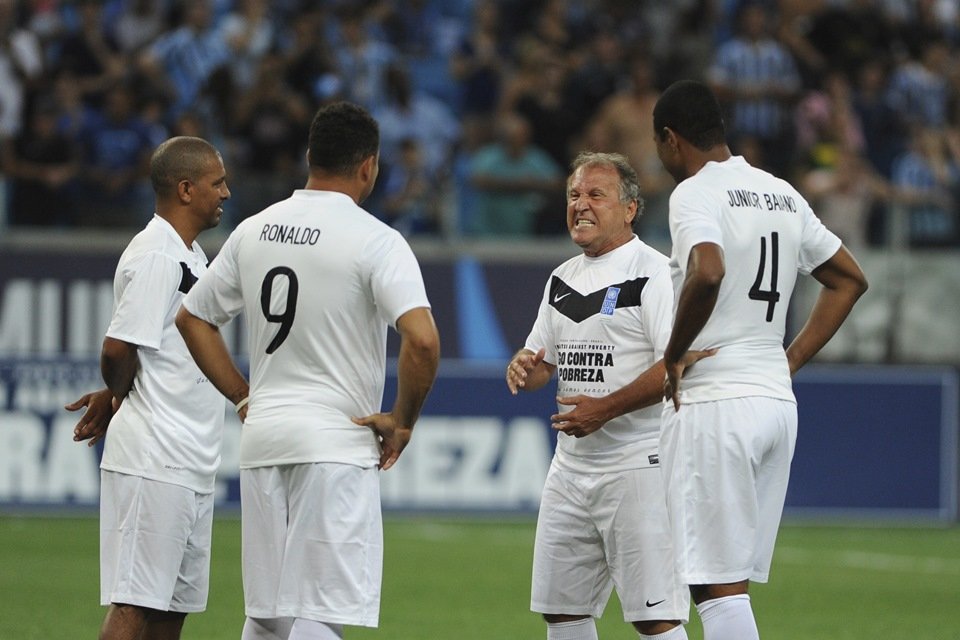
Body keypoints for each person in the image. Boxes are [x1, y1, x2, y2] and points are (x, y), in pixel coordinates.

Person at [175, 101, 440, 640]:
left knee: (269, 616)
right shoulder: (377, 241)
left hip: (264, 440)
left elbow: (192, 318)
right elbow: (423, 340)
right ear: (369, 165)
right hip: (334, 445)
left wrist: (245, 398)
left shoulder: (254, 230)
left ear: (309, 157)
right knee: (318, 614)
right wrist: (402, 419)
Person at [651, 80, 868, 640]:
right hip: (773, 399)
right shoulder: (781, 192)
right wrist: (787, 361)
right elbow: (848, 280)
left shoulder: (694, 193)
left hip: (717, 402)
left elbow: (708, 269)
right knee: (719, 584)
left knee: (717, 588)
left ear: (671, 140)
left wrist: (674, 355)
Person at [506, 151, 700, 640]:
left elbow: (673, 365)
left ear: (631, 208)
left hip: (639, 464)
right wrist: (523, 366)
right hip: (570, 469)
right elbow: (541, 367)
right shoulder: (562, 277)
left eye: (596, 194)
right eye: (574, 194)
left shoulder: (655, 272)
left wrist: (605, 410)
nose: (581, 204)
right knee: (562, 610)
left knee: (653, 616)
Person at [66, 135, 232, 639]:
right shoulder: (159, 255)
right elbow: (118, 348)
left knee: (168, 611)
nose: (226, 193)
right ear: (185, 189)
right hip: (155, 459)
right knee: (135, 604)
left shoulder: (192, 256)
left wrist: (116, 392)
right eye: (217, 183)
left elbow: (148, 350)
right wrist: (117, 394)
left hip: (190, 460)